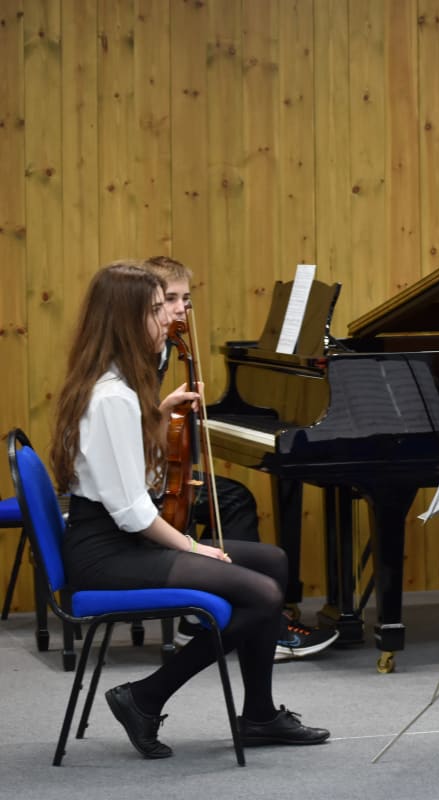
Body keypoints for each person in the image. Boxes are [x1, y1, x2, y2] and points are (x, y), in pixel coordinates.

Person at [49, 261, 330, 758]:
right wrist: (195, 547)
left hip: (117, 540)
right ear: (124, 319)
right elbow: (133, 511)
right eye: (156, 310)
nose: (168, 320)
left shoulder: (117, 385)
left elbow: (129, 474)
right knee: (262, 593)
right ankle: (145, 695)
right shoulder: (112, 396)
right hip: (106, 555)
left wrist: (158, 415)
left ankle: (259, 715)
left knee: (273, 561)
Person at [145, 256, 338, 662]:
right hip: (134, 490)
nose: (182, 309)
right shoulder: (140, 357)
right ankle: (227, 616)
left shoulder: (159, 349)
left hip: (147, 475)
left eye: (186, 298)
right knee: (231, 499)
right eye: (172, 299)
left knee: (230, 497)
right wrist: (165, 416)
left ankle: (208, 615)